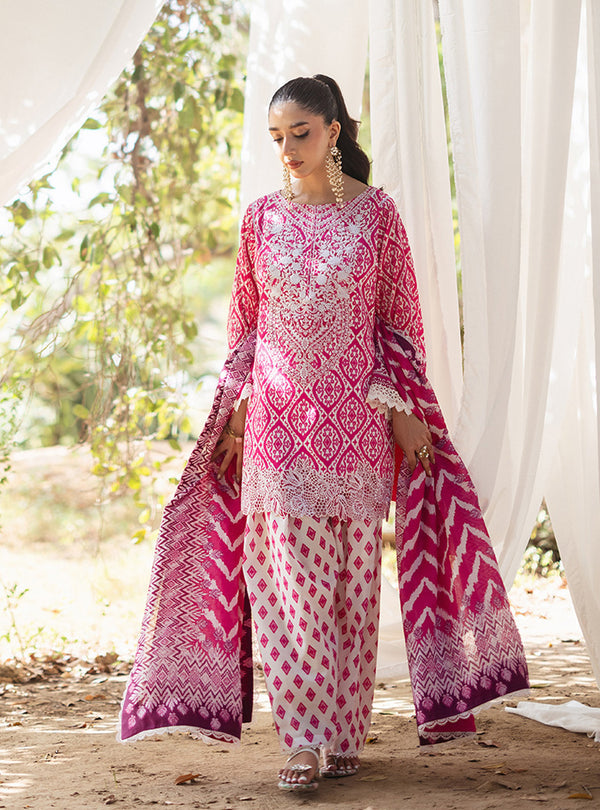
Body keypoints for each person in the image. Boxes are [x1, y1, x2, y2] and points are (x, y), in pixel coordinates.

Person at [118, 75, 529, 794]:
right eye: (277, 138)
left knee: (350, 591)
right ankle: (303, 740)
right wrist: (236, 408)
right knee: (285, 590)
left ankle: (341, 737)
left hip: (356, 424)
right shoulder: (260, 218)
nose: (288, 149)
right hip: (276, 427)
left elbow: (398, 325)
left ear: (334, 130)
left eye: (300, 134)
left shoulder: (377, 216)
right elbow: (247, 328)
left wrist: (402, 408)